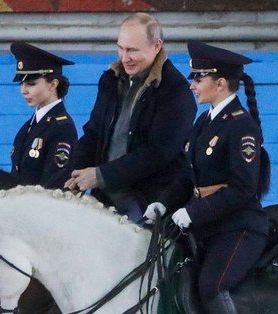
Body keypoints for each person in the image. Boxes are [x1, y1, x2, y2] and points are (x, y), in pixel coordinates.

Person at [146, 41, 271, 314]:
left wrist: (194, 214)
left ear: (221, 83)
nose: (192, 83)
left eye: (198, 77)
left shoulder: (241, 127)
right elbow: (188, 177)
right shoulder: (205, 121)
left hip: (239, 227)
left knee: (212, 285)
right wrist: (164, 204)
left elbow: (244, 189)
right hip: (206, 224)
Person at [64, 12, 196, 223]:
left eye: (132, 50)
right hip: (104, 200)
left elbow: (158, 153)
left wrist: (100, 176)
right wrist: (76, 174)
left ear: (156, 46)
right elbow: (93, 133)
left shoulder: (176, 91)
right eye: (121, 48)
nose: (125, 58)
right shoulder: (110, 79)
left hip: (146, 204)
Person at [9, 42, 78, 190]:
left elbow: (55, 184)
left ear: (53, 84)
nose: (23, 90)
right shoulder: (28, 126)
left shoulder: (62, 128)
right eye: (21, 84)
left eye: (31, 84)